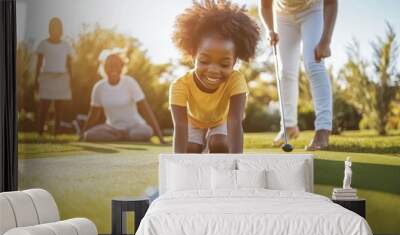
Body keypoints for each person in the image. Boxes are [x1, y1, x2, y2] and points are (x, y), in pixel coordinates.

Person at [170, 0, 260, 153]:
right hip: (194, 122)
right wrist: (177, 164)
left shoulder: (236, 80)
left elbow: (235, 121)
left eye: (224, 64)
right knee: (190, 149)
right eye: (204, 61)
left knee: (219, 144)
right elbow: (180, 126)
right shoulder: (179, 85)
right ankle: (201, 142)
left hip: (220, 121)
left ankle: (211, 140)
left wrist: (237, 162)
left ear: (234, 62)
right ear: (193, 57)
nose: (213, 70)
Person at [259, 0, 338, 150]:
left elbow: (330, 3)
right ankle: (288, 126)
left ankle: (323, 129)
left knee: (314, 64)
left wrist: (326, 41)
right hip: (282, 14)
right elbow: (265, 5)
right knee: (286, 71)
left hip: (313, 10)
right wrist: (270, 29)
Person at [82, 50, 165, 143]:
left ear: (122, 67)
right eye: (109, 65)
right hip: (112, 128)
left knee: (146, 131)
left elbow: (146, 110)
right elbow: (93, 114)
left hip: (135, 127)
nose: (113, 68)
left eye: (117, 65)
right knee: (89, 135)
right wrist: (82, 136)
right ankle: (122, 137)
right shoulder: (99, 87)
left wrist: (160, 137)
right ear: (104, 68)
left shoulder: (130, 82)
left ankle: (123, 137)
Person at [34, 17, 73, 135]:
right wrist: (36, 80)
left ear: (61, 29)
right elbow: (39, 64)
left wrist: (71, 80)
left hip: (62, 78)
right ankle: (40, 131)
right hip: (47, 77)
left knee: (59, 106)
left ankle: (57, 131)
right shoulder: (43, 44)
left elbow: (69, 65)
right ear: (50, 29)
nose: (56, 29)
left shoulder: (66, 45)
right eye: (53, 27)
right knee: (44, 105)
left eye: (58, 27)